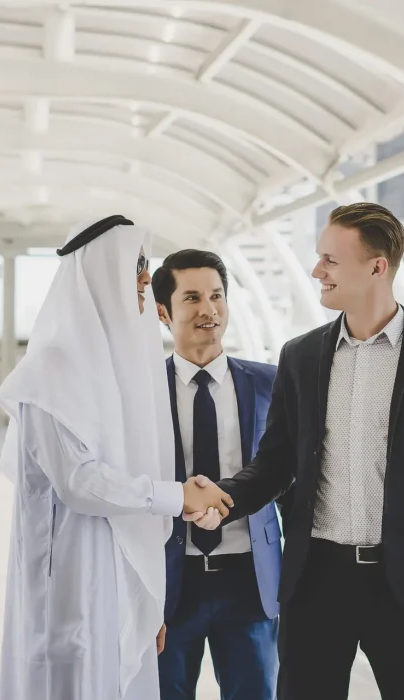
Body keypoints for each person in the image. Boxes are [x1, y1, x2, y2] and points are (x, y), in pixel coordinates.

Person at [213, 203, 404, 700]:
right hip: (316, 578)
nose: (317, 271)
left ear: (377, 267)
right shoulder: (300, 357)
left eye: (330, 261)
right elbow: (275, 463)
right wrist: (223, 498)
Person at [0, 215, 233, 700]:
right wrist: (176, 496)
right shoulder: (51, 370)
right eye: (136, 268)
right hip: (68, 586)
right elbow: (79, 482)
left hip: (112, 581)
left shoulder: (113, 371)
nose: (146, 280)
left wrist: (142, 602)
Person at [152, 250, 282, 700]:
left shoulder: (272, 384)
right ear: (163, 311)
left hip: (250, 583)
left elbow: (294, 483)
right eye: (192, 298)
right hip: (170, 582)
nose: (208, 310)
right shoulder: (144, 391)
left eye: (216, 296)